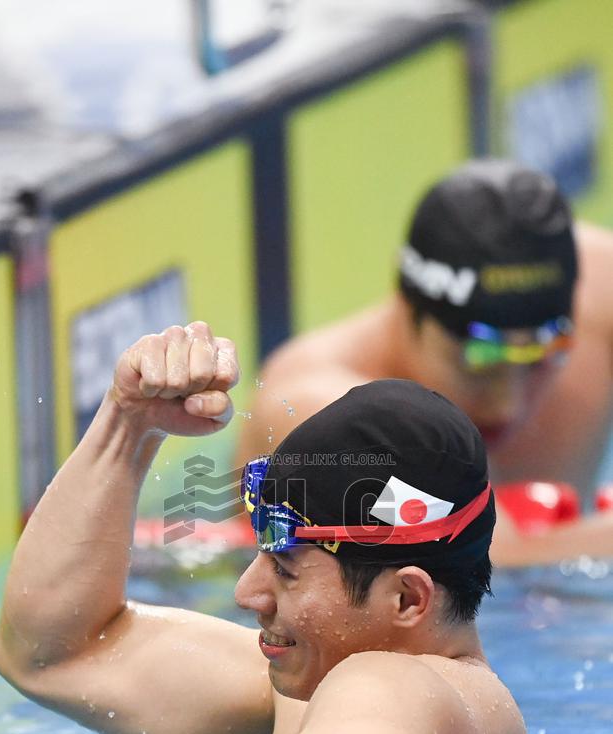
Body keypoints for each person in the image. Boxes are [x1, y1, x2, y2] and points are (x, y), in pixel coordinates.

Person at [0, 323, 531, 734]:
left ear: (407, 598)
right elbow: (54, 654)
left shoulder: (393, 686)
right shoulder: (329, 682)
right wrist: (128, 425)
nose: (246, 592)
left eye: (284, 569)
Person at [235, 160, 613, 566]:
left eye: (540, 359)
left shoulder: (600, 288)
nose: (508, 405)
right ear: (408, 308)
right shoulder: (316, 412)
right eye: (479, 362)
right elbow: (478, 568)